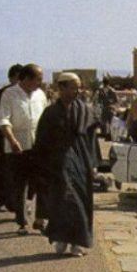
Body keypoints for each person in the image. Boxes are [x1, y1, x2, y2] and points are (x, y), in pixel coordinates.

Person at [32, 73, 94, 257]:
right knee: (63, 200)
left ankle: (77, 242)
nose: (77, 91)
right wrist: (41, 164)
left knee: (80, 200)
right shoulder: (50, 113)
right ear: (61, 88)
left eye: (78, 87)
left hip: (80, 160)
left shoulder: (84, 110)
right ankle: (62, 238)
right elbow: (41, 141)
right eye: (73, 87)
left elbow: (90, 139)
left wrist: (93, 163)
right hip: (57, 162)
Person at [0, 63, 48, 235]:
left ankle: (40, 219)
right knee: (20, 185)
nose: (41, 82)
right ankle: (22, 221)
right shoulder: (9, 94)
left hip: (38, 146)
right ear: (26, 79)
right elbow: (4, 120)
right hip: (17, 147)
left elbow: (46, 118)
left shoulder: (40, 95)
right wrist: (12, 140)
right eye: (38, 79)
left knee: (42, 182)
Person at [0, 64, 23, 211]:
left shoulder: (23, 95)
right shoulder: (0, 95)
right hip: (1, 141)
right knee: (1, 173)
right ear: (11, 78)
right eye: (18, 78)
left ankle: (12, 202)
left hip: (18, 142)